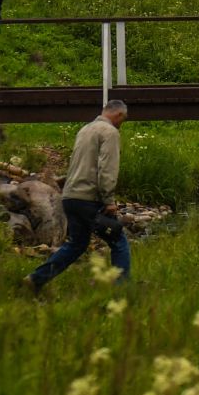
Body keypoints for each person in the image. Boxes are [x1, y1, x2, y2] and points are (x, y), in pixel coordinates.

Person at [27, 99, 129, 290]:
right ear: (118, 115)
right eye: (123, 119)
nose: (122, 124)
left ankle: (36, 279)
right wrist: (109, 200)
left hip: (70, 196)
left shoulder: (85, 129)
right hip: (88, 197)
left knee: (77, 244)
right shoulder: (110, 132)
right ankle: (122, 289)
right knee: (118, 240)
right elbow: (107, 168)